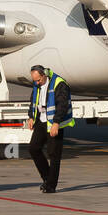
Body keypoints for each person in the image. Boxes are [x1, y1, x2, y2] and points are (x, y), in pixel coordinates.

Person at [27, 65, 74, 194]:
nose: (36, 83)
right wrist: (31, 117)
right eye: (34, 80)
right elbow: (33, 100)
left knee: (54, 154)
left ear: (44, 75)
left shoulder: (59, 84)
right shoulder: (37, 84)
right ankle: (47, 178)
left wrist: (56, 123)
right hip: (41, 121)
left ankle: (51, 186)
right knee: (33, 148)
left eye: (38, 80)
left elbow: (62, 105)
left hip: (53, 123)